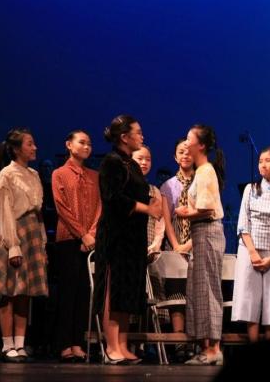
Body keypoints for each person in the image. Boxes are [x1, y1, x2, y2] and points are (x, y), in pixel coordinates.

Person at [93, 115, 162, 365]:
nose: (142, 136)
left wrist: (153, 203)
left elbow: (139, 193)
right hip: (116, 237)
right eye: (138, 132)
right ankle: (111, 346)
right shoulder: (111, 162)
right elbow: (113, 198)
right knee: (113, 290)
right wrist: (147, 208)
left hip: (133, 238)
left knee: (127, 291)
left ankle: (122, 344)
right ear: (124, 137)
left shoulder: (131, 164)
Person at [0, 128, 48, 362]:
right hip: (14, 233)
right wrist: (13, 246)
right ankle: (7, 344)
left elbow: (38, 213)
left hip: (32, 234)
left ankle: (20, 344)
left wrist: (42, 243)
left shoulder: (34, 174)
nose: (34, 147)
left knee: (24, 293)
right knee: (9, 291)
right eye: (30, 144)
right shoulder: (7, 174)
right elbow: (5, 212)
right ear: (17, 148)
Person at [232, 146, 270, 342]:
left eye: (268, 160)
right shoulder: (251, 189)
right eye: (260, 161)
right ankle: (254, 347)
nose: (263, 165)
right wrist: (252, 252)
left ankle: (269, 349)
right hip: (249, 250)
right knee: (250, 299)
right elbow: (243, 224)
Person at [174, 124, 226, 365]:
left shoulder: (205, 171)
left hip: (207, 230)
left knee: (208, 289)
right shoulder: (201, 171)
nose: (186, 143)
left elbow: (206, 208)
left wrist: (185, 213)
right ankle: (207, 347)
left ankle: (214, 348)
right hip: (201, 232)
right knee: (200, 289)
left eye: (189, 138)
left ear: (201, 145)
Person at [51, 130, 101, 362]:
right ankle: (63, 343)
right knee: (67, 292)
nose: (86, 146)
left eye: (89, 143)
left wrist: (92, 234)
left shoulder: (95, 175)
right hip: (68, 239)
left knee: (84, 293)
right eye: (82, 142)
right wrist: (82, 234)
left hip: (90, 241)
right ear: (69, 145)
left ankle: (77, 342)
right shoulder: (59, 174)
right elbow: (62, 207)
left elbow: (100, 207)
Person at [159, 138, 195, 361]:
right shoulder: (168, 186)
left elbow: (205, 215)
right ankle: (179, 342)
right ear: (175, 157)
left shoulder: (202, 182)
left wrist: (189, 244)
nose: (185, 155)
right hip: (174, 243)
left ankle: (195, 341)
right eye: (181, 152)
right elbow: (166, 218)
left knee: (194, 294)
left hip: (196, 242)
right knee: (176, 293)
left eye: (189, 151)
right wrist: (176, 245)